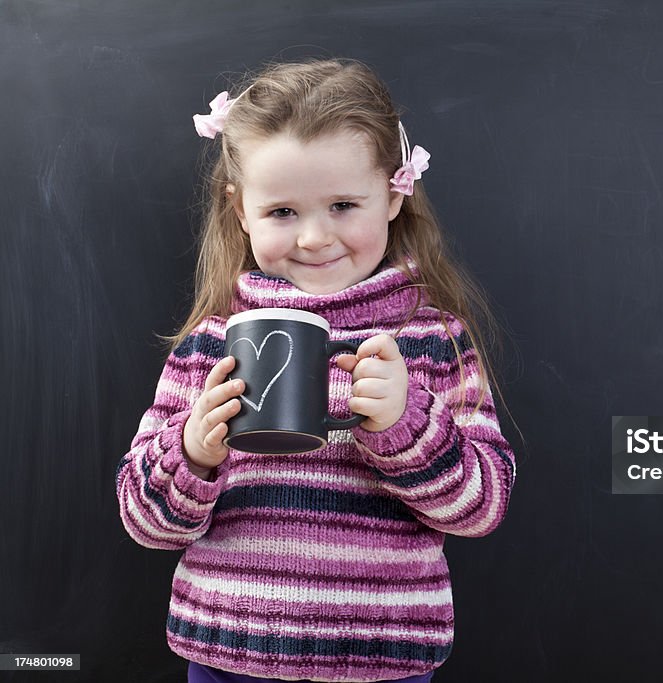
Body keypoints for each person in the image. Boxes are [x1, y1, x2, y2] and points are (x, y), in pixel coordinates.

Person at [116, 58, 517, 683]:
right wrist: (191, 453)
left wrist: (405, 424)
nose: (313, 237)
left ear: (392, 195)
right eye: (282, 212)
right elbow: (144, 524)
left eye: (342, 205)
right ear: (241, 211)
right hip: (228, 654)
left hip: (385, 657)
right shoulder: (210, 344)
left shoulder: (433, 339)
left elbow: (484, 506)